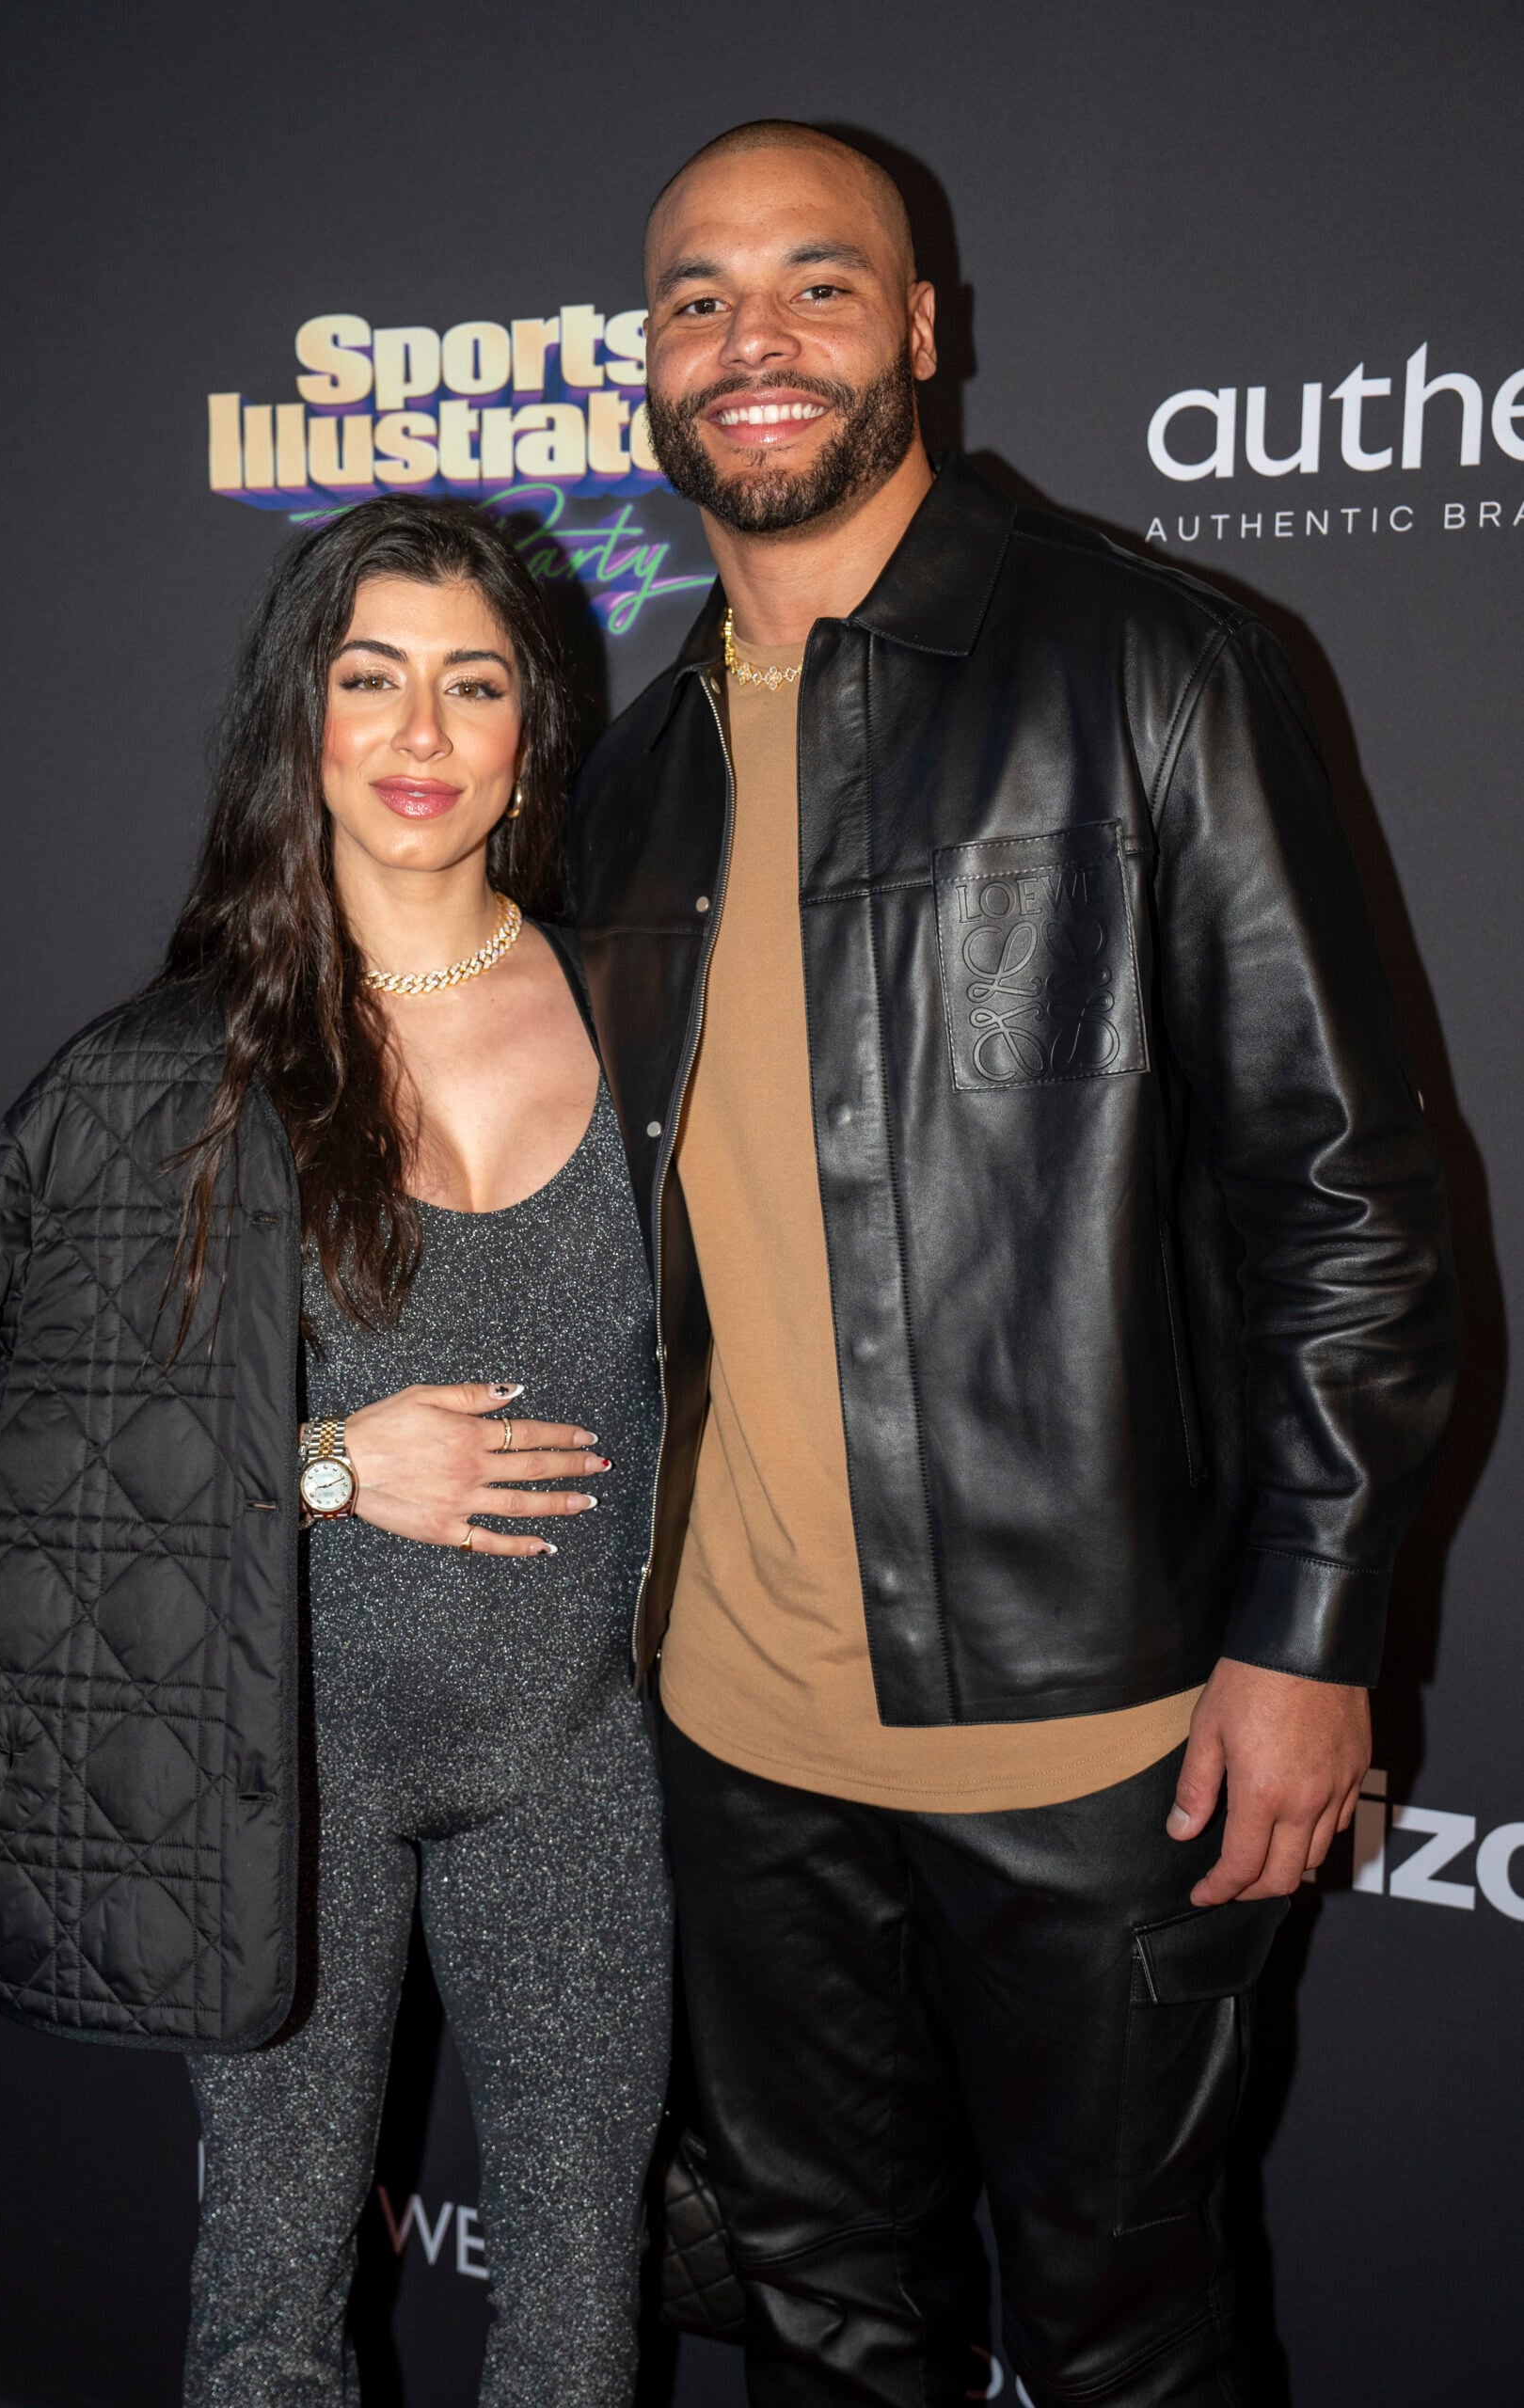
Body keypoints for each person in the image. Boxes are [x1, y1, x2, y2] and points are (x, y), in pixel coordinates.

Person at [568, 123, 1461, 2407]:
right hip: (730, 1731)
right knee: (819, 2316)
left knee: (1122, 2333)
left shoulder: (1154, 660)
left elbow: (1346, 1190)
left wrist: (1306, 1633)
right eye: (693, 298)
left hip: (1096, 1736)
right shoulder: (630, 759)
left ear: (919, 333)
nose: (747, 341)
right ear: (642, 363)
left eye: (813, 286)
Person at [0, 497, 671, 2406]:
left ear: (531, 735)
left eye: (471, 684)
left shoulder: (641, 1010)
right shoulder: (182, 1059)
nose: (419, 736)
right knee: (267, 2301)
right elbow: (43, 1460)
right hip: (281, 1774)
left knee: (582, 2313)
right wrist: (335, 1456)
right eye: (370, 679)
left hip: (576, 1758)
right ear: (304, 720)